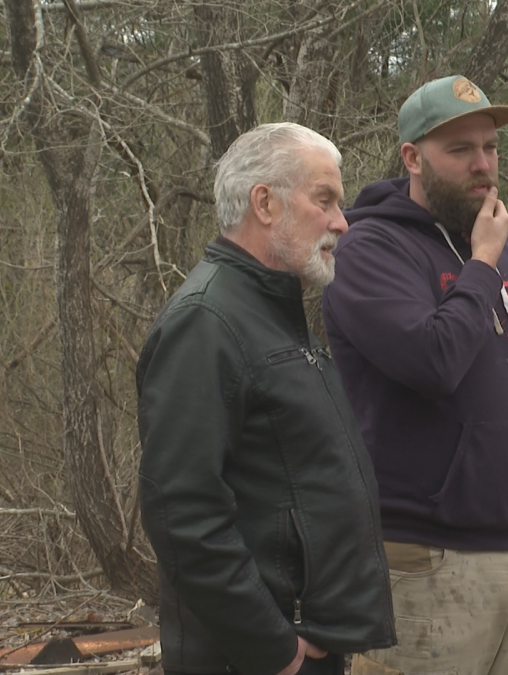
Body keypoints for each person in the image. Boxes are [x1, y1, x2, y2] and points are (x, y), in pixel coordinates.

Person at [321, 76, 508, 675]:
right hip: (428, 566)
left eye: (490, 147)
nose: (483, 165)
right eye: (461, 149)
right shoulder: (368, 251)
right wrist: (483, 262)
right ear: (413, 158)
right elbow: (432, 361)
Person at [136, 123, 395, 675]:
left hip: (307, 645)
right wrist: (271, 649)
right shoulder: (205, 322)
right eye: (323, 199)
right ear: (265, 203)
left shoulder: (275, 313)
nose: (341, 223)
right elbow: (182, 512)